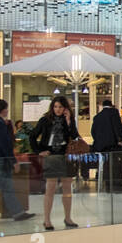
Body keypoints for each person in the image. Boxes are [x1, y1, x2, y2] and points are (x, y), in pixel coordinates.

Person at [31, 95, 81, 231]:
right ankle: (47, 220)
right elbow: (33, 136)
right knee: (50, 188)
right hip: (52, 156)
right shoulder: (45, 120)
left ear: (65, 108)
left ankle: (68, 217)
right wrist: (39, 151)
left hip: (66, 156)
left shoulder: (68, 120)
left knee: (67, 188)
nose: (58, 109)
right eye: (56, 107)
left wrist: (69, 120)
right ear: (52, 107)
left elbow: (75, 136)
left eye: (60, 107)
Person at [91, 98, 122, 192]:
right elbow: (118, 128)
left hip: (101, 147)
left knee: (106, 164)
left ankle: (107, 185)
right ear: (111, 105)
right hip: (113, 146)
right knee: (119, 163)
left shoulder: (97, 116)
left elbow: (93, 132)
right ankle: (117, 185)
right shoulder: (114, 112)